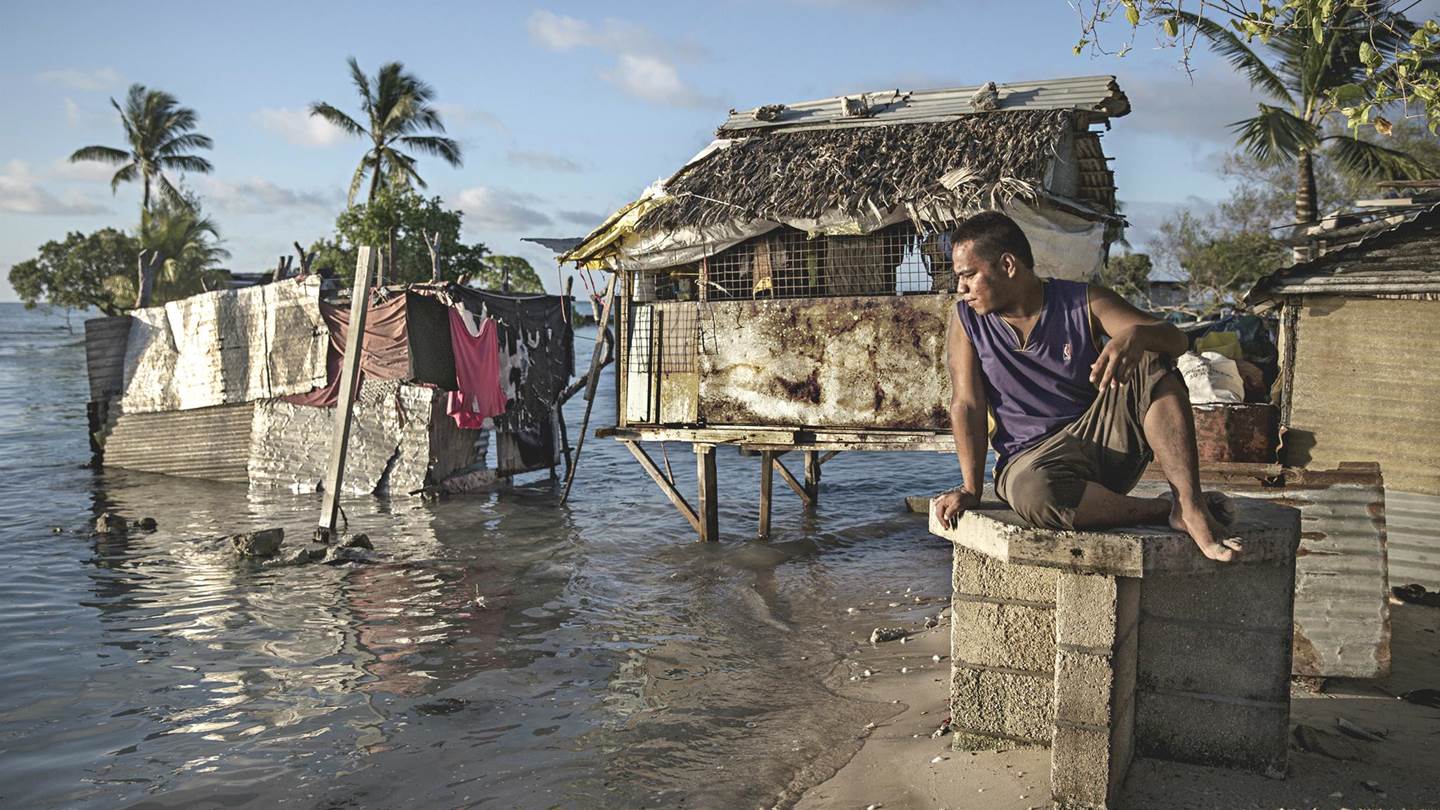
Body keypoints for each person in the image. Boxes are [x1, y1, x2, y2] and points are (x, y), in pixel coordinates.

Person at [931, 211, 1241, 562]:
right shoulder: (967, 320)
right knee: (1036, 494)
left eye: (969, 275)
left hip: (1101, 447)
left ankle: (1190, 504)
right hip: (1029, 462)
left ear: (1007, 265)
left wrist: (1138, 336)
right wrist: (971, 490)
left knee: (1150, 358)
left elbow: (1176, 340)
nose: (961, 288)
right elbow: (967, 404)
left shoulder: (1083, 301)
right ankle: (1162, 510)